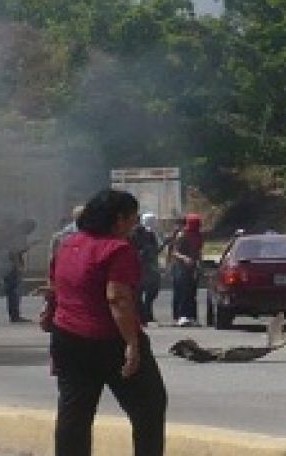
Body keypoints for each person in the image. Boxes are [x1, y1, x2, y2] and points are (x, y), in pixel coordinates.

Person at [49, 189, 166, 456]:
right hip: (109, 340)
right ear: (118, 219)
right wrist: (132, 344)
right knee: (149, 405)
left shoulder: (67, 244)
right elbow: (118, 298)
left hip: (67, 337)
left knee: (74, 413)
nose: (134, 225)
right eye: (132, 219)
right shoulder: (117, 249)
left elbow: (55, 286)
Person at [0, 218, 37, 324]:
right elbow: (17, 250)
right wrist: (31, 245)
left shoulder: (0, 233)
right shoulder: (19, 235)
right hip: (10, 265)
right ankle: (14, 316)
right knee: (13, 291)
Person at [167, 213, 203, 327]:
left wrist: (199, 263)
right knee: (181, 291)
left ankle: (191, 316)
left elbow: (198, 251)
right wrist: (185, 258)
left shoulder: (198, 236)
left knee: (192, 292)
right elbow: (175, 252)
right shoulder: (182, 235)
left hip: (193, 267)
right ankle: (180, 316)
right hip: (180, 267)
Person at [130, 213, 162, 325]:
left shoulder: (150, 235)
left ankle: (146, 314)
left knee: (152, 291)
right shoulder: (132, 234)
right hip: (137, 267)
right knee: (138, 293)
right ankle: (142, 316)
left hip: (150, 267)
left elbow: (156, 250)